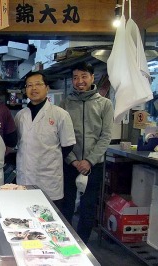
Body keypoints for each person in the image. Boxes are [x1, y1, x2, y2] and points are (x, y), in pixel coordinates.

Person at [60, 62, 114, 243]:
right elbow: (59, 136)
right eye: (75, 77)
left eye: (84, 76)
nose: (79, 81)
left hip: (93, 165)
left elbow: (106, 136)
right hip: (69, 163)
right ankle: (65, 241)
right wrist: (73, 160)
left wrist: (89, 161)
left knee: (88, 207)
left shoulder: (105, 104)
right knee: (66, 205)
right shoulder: (65, 104)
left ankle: (83, 244)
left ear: (92, 77)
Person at [15, 71, 76, 209]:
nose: (33, 88)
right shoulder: (20, 116)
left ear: (47, 88)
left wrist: (47, 160)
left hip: (49, 180)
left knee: (49, 220)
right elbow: (19, 144)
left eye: (38, 84)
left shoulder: (60, 114)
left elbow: (68, 146)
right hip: (25, 178)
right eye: (29, 85)